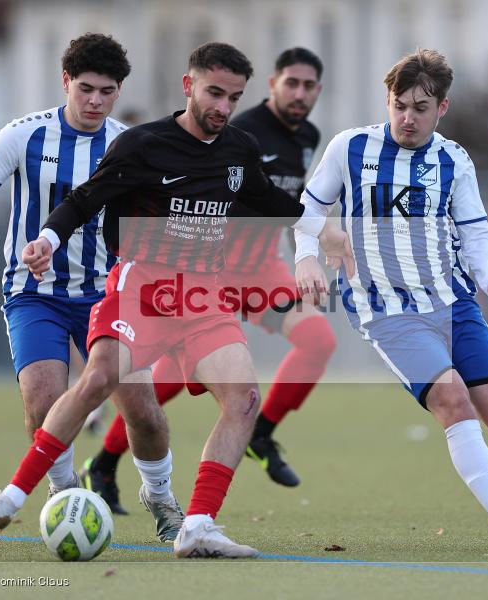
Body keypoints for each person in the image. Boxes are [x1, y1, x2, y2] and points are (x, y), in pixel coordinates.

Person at [0, 42, 353, 559]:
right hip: (140, 288)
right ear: (188, 86)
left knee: (243, 400)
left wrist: (325, 234)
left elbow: (272, 202)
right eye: (214, 93)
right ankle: (7, 500)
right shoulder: (142, 145)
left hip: (203, 295)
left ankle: (198, 525)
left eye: (233, 98)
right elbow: (83, 200)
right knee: (97, 380)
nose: (223, 108)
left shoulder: (238, 149)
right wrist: (47, 242)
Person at [294, 49, 488, 552]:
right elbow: (310, 208)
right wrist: (306, 256)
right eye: (399, 105)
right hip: (386, 310)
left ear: (443, 107)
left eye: (420, 107)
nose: (407, 118)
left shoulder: (453, 159)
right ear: (387, 101)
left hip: (453, 302)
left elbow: (474, 229)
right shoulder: (350, 147)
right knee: (452, 399)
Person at [0, 33, 184, 544]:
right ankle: (64, 496)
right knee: (42, 400)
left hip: (109, 293)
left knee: (142, 410)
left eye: (107, 91)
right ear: (65, 83)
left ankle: (161, 497)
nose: (95, 101)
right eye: (85, 89)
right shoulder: (23, 136)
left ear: (119, 90)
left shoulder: (130, 145)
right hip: (35, 296)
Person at [80, 48, 334, 507]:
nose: (300, 94)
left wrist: (310, 246)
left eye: (309, 85)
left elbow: (281, 205)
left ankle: (262, 433)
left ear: (318, 90)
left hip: (262, 270)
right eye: (290, 83)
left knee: (318, 340)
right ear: (272, 84)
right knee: (168, 382)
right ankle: (105, 461)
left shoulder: (308, 137)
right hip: (211, 271)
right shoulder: (241, 131)